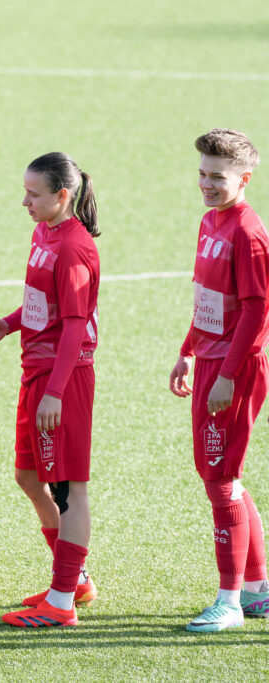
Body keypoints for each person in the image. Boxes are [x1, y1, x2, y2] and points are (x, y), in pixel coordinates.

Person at [0, 152, 100, 628]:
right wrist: (8, 325)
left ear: (62, 196)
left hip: (61, 381)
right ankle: (74, 580)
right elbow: (41, 304)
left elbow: (74, 327)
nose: (24, 201)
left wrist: (55, 391)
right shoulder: (44, 233)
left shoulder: (73, 246)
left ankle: (63, 600)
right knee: (29, 477)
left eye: (34, 194)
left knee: (69, 490)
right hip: (38, 372)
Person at [168, 129, 269, 632]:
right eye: (202, 174)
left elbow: (258, 311)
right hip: (209, 360)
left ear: (244, 179)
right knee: (224, 476)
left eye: (217, 177)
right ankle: (255, 589)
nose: (206, 184)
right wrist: (187, 351)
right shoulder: (211, 220)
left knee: (219, 479)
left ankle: (229, 601)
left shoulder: (249, 232)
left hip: (234, 367)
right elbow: (207, 294)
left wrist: (228, 374)